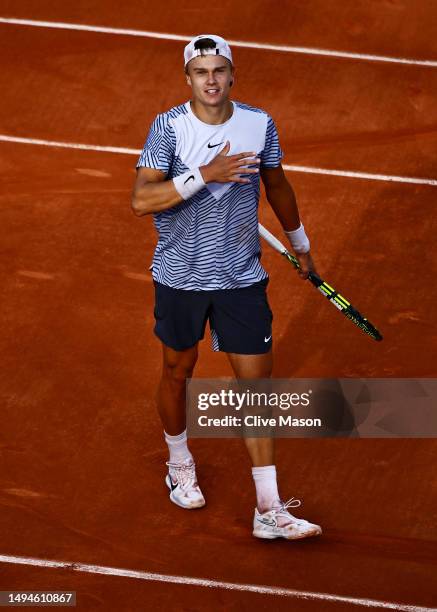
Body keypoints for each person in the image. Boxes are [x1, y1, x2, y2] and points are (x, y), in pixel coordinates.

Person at [132, 34, 322, 540]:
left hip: (241, 276)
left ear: (232, 74)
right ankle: (179, 462)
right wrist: (205, 173)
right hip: (181, 276)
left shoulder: (258, 124)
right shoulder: (169, 128)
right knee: (178, 372)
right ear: (188, 79)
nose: (210, 80)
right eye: (200, 72)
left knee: (257, 391)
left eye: (219, 70)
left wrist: (300, 244)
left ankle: (269, 508)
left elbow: (276, 183)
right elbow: (142, 200)